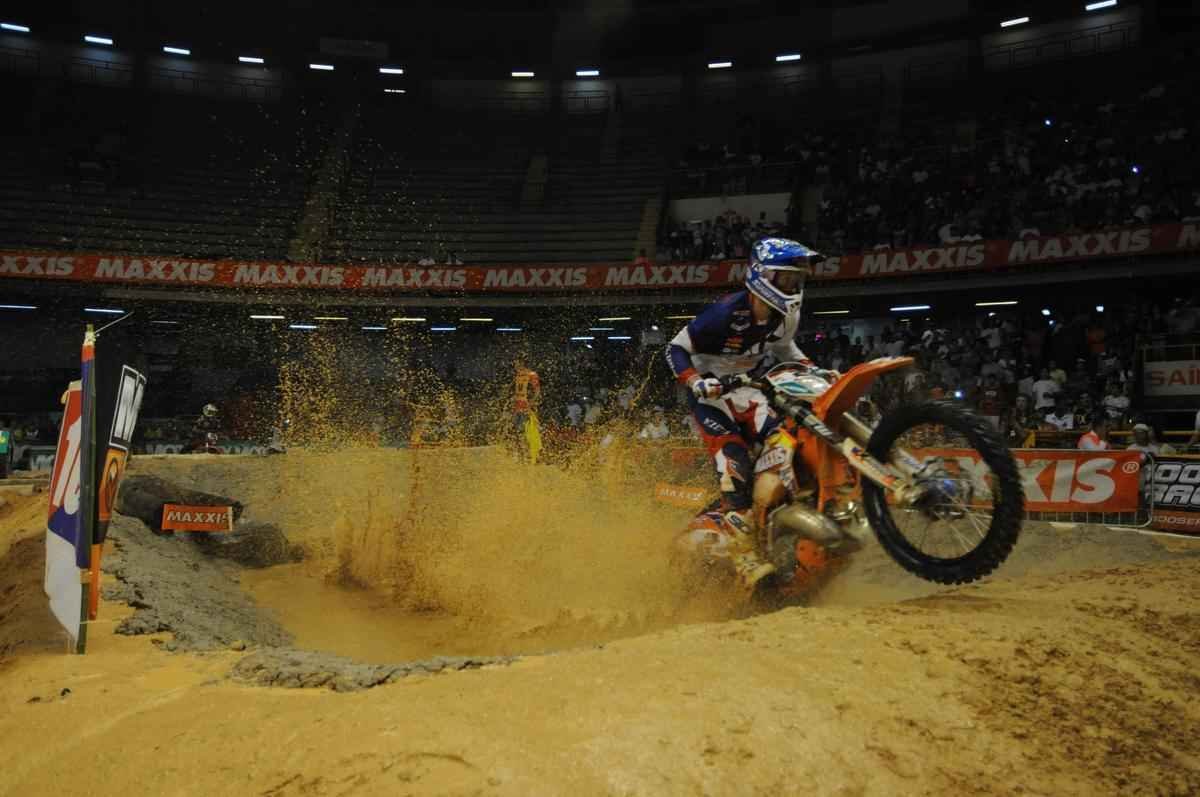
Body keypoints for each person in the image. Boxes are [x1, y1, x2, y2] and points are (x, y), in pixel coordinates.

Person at [666, 237, 834, 591]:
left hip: (749, 389)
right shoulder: (723, 313)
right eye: (787, 280)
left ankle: (785, 514)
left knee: (784, 441)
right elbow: (675, 348)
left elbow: (785, 348)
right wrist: (695, 380)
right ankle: (744, 555)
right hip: (712, 396)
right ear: (762, 276)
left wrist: (811, 369)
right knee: (735, 461)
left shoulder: (784, 315)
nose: (794, 287)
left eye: (798, 281)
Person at [512, 360, 541, 462]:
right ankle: (520, 453)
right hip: (517, 408)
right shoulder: (518, 375)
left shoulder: (532, 375)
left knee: (525, 431)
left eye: (516, 363)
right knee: (516, 431)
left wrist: (531, 403)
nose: (514, 365)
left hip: (526, 408)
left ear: (521, 363)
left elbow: (537, 391)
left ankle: (529, 454)